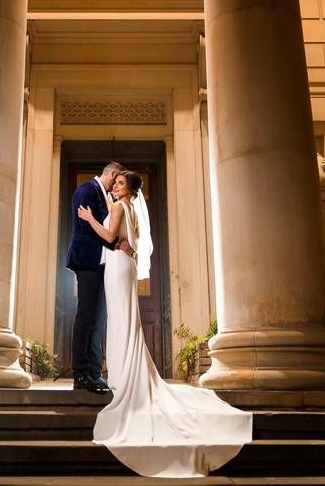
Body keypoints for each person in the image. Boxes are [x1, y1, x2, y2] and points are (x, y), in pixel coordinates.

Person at [77, 171, 253, 478]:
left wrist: (90, 218)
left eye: (119, 183)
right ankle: (126, 373)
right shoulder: (130, 207)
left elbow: (107, 238)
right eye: (114, 182)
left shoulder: (119, 207)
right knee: (124, 322)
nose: (114, 186)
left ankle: (123, 377)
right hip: (124, 267)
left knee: (120, 322)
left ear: (128, 190)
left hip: (117, 268)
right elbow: (123, 240)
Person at [65, 161, 130, 394]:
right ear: (111, 174)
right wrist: (117, 241)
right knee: (86, 317)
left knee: (98, 319)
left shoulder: (105, 197)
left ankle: (94, 372)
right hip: (88, 262)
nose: (117, 186)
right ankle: (81, 374)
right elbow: (87, 229)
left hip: (102, 265)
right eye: (118, 180)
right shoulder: (86, 190)